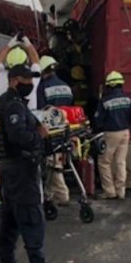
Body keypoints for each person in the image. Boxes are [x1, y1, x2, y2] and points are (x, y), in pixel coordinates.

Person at [0, 63, 64, 263]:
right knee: (31, 214)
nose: (31, 84)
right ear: (14, 80)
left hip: (12, 167)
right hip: (20, 167)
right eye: (26, 80)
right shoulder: (13, 105)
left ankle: (8, 262)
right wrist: (39, 137)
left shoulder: (10, 102)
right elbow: (18, 136)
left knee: (10, 216)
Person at [36, 55, 74, 206]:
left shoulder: (43, 87)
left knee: (53, 163)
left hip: (50, 130)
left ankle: (62, 194)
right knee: (57, 160)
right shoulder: (66, 86)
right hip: (65, 128)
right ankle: (49, 194)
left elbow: (39, 110)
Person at [93, 71, 131, 199]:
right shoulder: (128, 99)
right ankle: (121, 191)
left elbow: (98, 120)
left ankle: (109, 191)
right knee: (120, 162)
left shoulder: (105, 101)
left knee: (104, 162)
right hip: (125, 132)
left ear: (109, 85)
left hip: (111, 133)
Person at [0, 35, 43, 109]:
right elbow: (35, 60)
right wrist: (27, 43)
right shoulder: (31, 78)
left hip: (6, 114)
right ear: (26, 61)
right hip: (31, 115)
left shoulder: (2, 76)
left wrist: (10, 44)